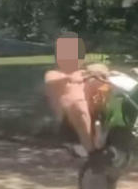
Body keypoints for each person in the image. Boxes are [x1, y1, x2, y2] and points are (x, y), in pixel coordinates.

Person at [44, 33, 111, 165]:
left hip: (92, 109)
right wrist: (68, 79)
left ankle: (103, 131)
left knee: (102, 84)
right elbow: (50, 81)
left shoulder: (84, 73)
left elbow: (101, 77)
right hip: (70, 116)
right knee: (75, 101)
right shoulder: (55, 74)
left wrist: (103, 75)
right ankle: (92, 148)